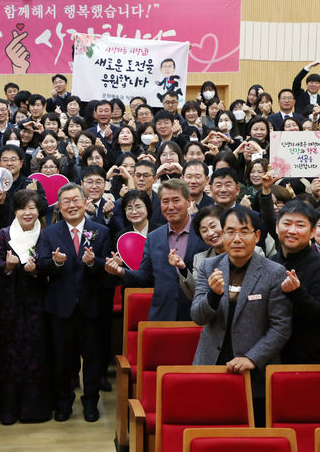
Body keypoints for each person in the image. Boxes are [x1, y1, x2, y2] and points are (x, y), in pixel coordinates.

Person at [191, 206, 292, 425]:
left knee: (251, 436)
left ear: (256, 236)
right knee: (209, 432)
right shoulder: (209, 266)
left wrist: (251, 358)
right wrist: (212, 297)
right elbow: (197, 316)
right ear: (223, 234)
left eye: (244, 231)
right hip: (212, 365)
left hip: (254, 371)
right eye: (230, 231)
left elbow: (280, 327)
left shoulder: (274, 272)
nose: (237, 238)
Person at [0, 190, 52, 424]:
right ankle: (5, 409)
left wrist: (37, 270)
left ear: (39, 211)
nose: (27, 212)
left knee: (33, 352)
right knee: (6, 351)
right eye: (22, 208)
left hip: (36, 304)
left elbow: (50, 263)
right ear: (14, 211)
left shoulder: (45, 236)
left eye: (32, 208)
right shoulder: (4, 234)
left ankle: (32, 410)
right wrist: (8, 266)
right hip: (6, 304)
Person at [37, 183, 110, 423]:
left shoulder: (100, 231)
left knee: (92, 359)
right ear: (59, 206)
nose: (72, 205)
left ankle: (90, 402)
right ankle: (63, 403)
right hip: (60, 307)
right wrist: (55, 263)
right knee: (62, 359)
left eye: (76, 200)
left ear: (85, 201)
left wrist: (93, 263)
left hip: (91, 307)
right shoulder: (49, 233)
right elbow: (40, 266)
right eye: (66, 201)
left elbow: (107, 269)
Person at [105, 179, 208, 320]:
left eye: (176, 200)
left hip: (197, 314)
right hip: (163, 314)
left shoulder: (203, 233)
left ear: (189, 201)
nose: (170, 206)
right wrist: (121, 271)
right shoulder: (154, 237)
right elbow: (144, 276)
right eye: (165, 201)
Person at [271, 200, 320, 364]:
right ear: (277, 227)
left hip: (307, 357)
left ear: (313, 232)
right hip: (270, 355)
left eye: (300, 225)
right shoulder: (269, 263)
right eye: (287, 223)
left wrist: (297, 293)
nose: (292, 230)